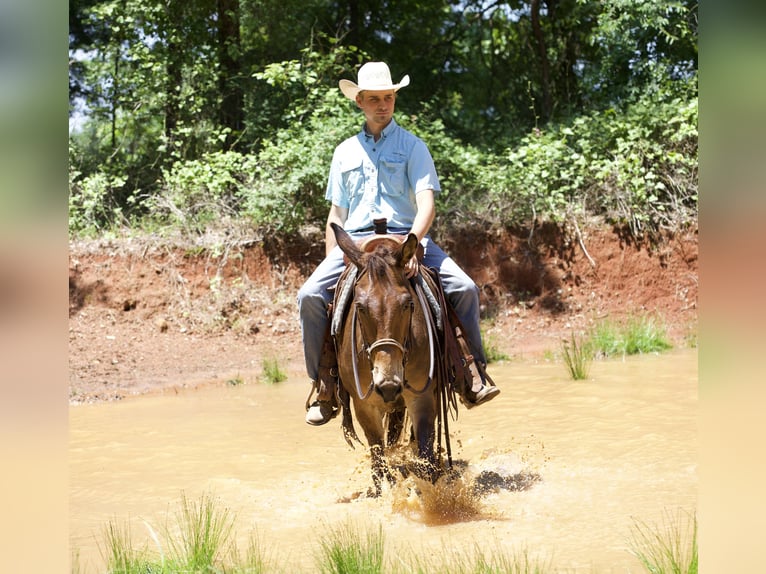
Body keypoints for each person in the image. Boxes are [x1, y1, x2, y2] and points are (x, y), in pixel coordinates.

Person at [298, 61, 500, 426]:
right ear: (359, 100)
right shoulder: (344, 152)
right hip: (357, 245)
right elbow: (336, 213)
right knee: (310, 296)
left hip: (406, 237)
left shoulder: (413, 147)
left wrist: (412, 245)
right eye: (374, 98)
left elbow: (427, 204)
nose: (382, 105)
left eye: (388, 97)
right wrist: (336, 257)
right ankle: (324, 384)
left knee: (465, 288)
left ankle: (470, 374)